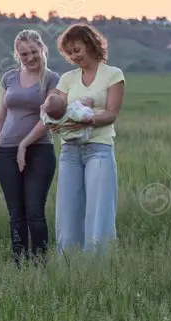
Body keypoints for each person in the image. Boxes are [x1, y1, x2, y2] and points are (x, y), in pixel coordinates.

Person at [0, 29, 61, 266]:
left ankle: (40, 265)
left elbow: (48, 118)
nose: (29, 57)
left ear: (43, 49)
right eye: (23, 54)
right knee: (16, 214)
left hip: (39, 151)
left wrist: (25, 144)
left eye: (33, 52)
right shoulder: (8, 78)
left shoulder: (52, 79)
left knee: (34, 211)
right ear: (17, 55)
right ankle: (19, 263)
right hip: (7, 151)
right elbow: (0, 116)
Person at [50, 23, 126, 255]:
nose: (74, 56)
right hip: (70, 151)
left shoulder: (113, 75)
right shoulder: (67, 78)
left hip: (99, 149)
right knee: (68, 211)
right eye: (69, 52)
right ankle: (69, 267)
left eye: (77, 49)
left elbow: (111, 114)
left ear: (91, 44)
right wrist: (58, 121)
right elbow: (56, 109)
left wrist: (87, 119)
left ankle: (97, 267)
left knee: (99, 211)